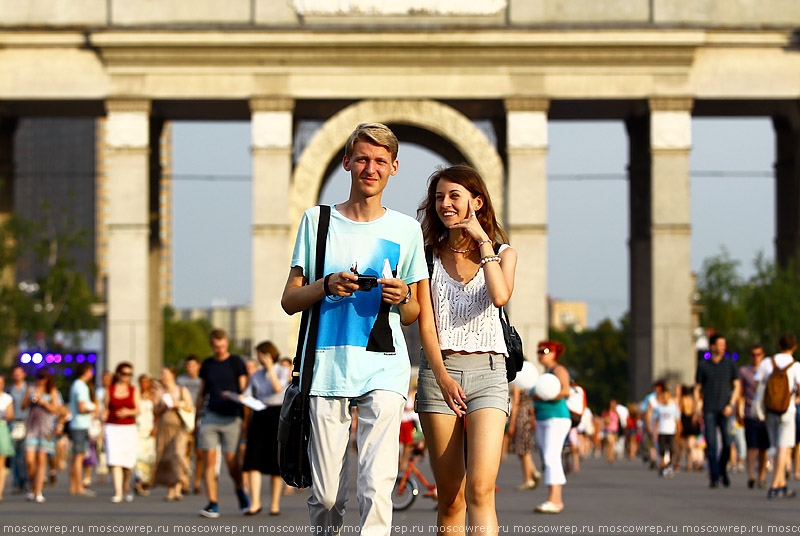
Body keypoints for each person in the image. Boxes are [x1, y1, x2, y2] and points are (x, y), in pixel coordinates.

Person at [281, 123, 427, 536]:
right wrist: (325, 285)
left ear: (394, 168)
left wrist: (402, 297)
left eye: (380, 161)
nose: (370, 168)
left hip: (385, 367)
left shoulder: (406, 230)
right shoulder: (317, 222)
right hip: (326, 367)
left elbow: (415, 312)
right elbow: (289, 300)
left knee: (375, 487)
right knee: (326, 497)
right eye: (362, 158)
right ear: (347, 162)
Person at [413, 163, 516, 534]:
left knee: (481, 490)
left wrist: (483, 241)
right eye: (439, 197)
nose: (445, 204)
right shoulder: (425, 255)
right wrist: (440, 376)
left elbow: (500, 296)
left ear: (477, 201)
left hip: (489, 374)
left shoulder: (503, 252)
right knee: (451, 497)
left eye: (454, 196)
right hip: (438, 375)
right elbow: (425, 323)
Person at [195, 328, 250, 518]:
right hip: (211, 416)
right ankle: (212, 503)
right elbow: (202, 392)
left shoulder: (236, 363)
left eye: (223, 346)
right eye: (216, 346)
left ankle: (239, 489)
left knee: (231, 462)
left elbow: (244, 393)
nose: (220, 349)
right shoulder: (208, 364)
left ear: (227, 344)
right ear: (212, 345)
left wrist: (245, 420)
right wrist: (196, 417)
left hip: (232, 417)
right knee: (209, 459)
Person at [240, 341, 290, 516]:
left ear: (270, 354)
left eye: (262, 354)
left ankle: (274, 504)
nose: (259, 358)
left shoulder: (283, 370)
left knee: (275, 461)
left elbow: (278, 388)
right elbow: (247, 394)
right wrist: (238, 397)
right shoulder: (256, 375)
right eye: (258, 355)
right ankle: (255, 503)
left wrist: (270, 369)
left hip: (278, 413)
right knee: (254, 459)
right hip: (260, 413)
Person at [753, 333, 800, 499]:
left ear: (779, 346)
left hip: (770, 409)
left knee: (774, 446)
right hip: (787, 410)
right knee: (784, 447)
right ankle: (775, 485)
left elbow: (757, 384)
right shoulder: (795, 365)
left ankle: (782, 484)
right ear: (794, 347)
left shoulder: (767, 362)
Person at [695, 333, 741, 488]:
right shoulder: (703, 365)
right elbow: (698, 388)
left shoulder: (730, 365)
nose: (723, 347)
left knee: (728, 443)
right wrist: (697, 408)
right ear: (712, 346)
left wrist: (731, 404)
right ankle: (714, 476)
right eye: (720, 344)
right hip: (709, 409)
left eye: (724, 344)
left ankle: (722, 469)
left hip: (725, 409)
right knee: (712, 444)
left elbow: (736, 387)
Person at [533, 341, 572, 514]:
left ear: (555, 353)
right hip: (543, 418)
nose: (540, 354)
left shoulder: (558, 370)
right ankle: (555, 499)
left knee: (551, 457)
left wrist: (544, 395)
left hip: (556, 417)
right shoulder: (546, 372)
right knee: (548, 457)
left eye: (545, 351)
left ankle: (555, 500)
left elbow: (565, 391)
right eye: (539, 351)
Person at [152, 366, 194, 501]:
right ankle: (171, 490)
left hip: (179, 427)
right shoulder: (160, 392)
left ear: (172, 375)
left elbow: (190, 406)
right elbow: (155, 411)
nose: (162, 376)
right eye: (162, 373)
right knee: (166, 457)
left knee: (177, 453)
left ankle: (183, 478)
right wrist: (163, 406)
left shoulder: (181, 390)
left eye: (165, 373)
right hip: (164, 428)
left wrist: (178, 404)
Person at [22, 368, 61, 503]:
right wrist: (30, 400)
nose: (40, 380)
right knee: (30, 461)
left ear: (47, 378)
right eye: (38, 377)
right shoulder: (31, 388)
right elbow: (22, 406)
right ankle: (33, 487)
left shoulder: (52, 391)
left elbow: (56, 410)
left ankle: (38, 491)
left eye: (43, 377)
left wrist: (44, 402)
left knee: (41, 460)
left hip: (45, 429)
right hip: (32, 427)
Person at [103, 362, 140, 503]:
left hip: (128, 427)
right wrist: (103, 416)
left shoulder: (133, 390)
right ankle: (118, 491)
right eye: (125, 374)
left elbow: (138, 409)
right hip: (112, 427)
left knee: (128, 462)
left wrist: (128, 412)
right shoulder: (110, 390)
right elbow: (106, 407)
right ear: (118, 374)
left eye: (130, 374)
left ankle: (126, 486)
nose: (127, 377)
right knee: (115, 460)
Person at [739, 345, 769, 488]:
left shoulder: (769, 370)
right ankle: (751, 475)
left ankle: (761, 477)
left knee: (764, 448)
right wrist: (739, 410)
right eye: (753, 354)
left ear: (762, 355)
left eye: (758, 354)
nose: (756, 357)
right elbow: (740, 392)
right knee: (751, 446)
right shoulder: (744, 371)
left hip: (766, 414)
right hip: (750, 412)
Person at [68, 362, 97, 497]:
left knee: (76, 456)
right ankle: (78, 486)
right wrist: (94, 408)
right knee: (79, 456)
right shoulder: (81, 386)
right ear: (86, 371)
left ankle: (73, 486)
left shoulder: (76, 384)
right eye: (91, 371)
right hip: (80, 424)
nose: (92, 374)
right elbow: (81, 407)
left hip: (76, 424)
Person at [177, 355, 203, 495]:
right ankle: (184, 481)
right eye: (187, 365)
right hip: (185, 417)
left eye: (192, 365)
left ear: (198, 366)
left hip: (199, 417)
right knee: (184, 451)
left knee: (199, 452)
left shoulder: (202, 380)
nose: (189, 368)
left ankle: (197, 482)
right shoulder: (181, 380)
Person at [509, 383, 540, 490]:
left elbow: (516, 403)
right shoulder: (529, 385)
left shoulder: (517, 384)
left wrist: (511, 424)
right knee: (525, 446)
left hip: (520, 417)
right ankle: (533, 471)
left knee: (522, 449)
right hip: (528, 417)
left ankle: (528, 479)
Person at [7, 366, 29, 494]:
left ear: (24, 374)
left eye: (19, 373)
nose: (17, 376)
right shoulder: (9, 390)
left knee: (25, 455)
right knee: (14, 455)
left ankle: (26, 480)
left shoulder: (28, 389)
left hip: (26, 422)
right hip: (13, 423)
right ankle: (16, 483)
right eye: (14, 374)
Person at [134, 374, 156, 497]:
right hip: (138, 429)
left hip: (149, 429)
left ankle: (145, 482)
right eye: (141, 382)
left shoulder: (153, 397)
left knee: (149, 457)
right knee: (138, 456)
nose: (144, 384)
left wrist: (156, 427)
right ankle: (138, 481)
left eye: (146, 382)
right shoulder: (136, 396)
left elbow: (157, 413)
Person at [652, 387, 680, 477]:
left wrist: (678, 431)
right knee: (662, 449)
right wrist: (655, 431)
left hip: (671, 431)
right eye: (663, 397)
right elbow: (655, 421)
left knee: (671, 449)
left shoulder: (674, 408)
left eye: (666, 396)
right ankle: (663, 465)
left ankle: (670, 464)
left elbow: (677, 421)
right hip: (661, 430)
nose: (664, 398)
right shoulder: (658, 408)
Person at [0, 372, 15, 503]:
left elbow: (11, 415)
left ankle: (0, 492)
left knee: (1, 464)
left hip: (2, 428)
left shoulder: (7, 398)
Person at [602, 400, 620, 465]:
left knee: (612, 444)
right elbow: (603, 420)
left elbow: (617, 422)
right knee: (609, 442)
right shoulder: (606, 412)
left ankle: (611, 457)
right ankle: (609, 456)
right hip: (608, 429)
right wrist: (607, 420)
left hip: (615, 429)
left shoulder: (616, 412)